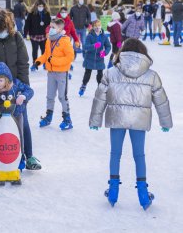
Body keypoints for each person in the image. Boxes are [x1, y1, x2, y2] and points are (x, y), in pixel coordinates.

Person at [89, 38, 172, 210]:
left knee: (115, 153)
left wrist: (95, 120)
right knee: (139, 155)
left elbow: (100, 97)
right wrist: (165, 122)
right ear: (143, 53)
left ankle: (113, 190)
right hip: (139, 120)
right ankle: (143, 194)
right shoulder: (151, 75)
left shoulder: (111, 72)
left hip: (117, 118)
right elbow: (161, 100)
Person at [0, 10, 41, 171]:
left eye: (4, 28)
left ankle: (29, 155)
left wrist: (24, 88)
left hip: (15, 86)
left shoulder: (16, 36)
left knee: (22, 121)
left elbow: (23, 63)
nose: (2, 32)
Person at [0, 62, 34, 171]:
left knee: (19, 134)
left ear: (7, 79)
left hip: (15, 115)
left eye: (0, 80)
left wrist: (23, 96)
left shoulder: (16, 84)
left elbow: (30, 90)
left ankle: (20, 157)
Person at [34, 18, 75, 130]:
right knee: (50, 96)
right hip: (51, 73)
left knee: (62, 96)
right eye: (50, 27)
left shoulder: (65, 41)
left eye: (53, 27)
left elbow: (70, 57)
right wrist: (38, 62)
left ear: (60, 28)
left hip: (61, 73)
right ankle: (48, 117)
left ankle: (67, 120)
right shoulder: (49, 40)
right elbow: (46, 55)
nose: (50, 29)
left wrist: (55, 61)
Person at [78, 20, 111, 96]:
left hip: (100, 58)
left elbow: (108, 46)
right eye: (95, 26)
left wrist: (105, 52)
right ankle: (83, 86)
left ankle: (100, 89)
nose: (97, 27)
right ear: (92, 27)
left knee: (100, 75)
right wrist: (94, 46)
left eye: (99, 25)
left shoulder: (104, 36)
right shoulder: (89, 36)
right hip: (90, 58)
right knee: (87, 74)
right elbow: (85, 47)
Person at [24, 0, 51, 71]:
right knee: (35, 50)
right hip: (34, 35)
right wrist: (25, 33)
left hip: (43, 35)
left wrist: (49, 33)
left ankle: (45, 63)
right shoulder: (31, 13)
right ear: (36, 6)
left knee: (44, 50)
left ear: (44, 6)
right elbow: (27, 24)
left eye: (42, 6)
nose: (41, 7)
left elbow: (49, 25)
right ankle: (35, 64)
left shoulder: (47, 14)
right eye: (39, 6)